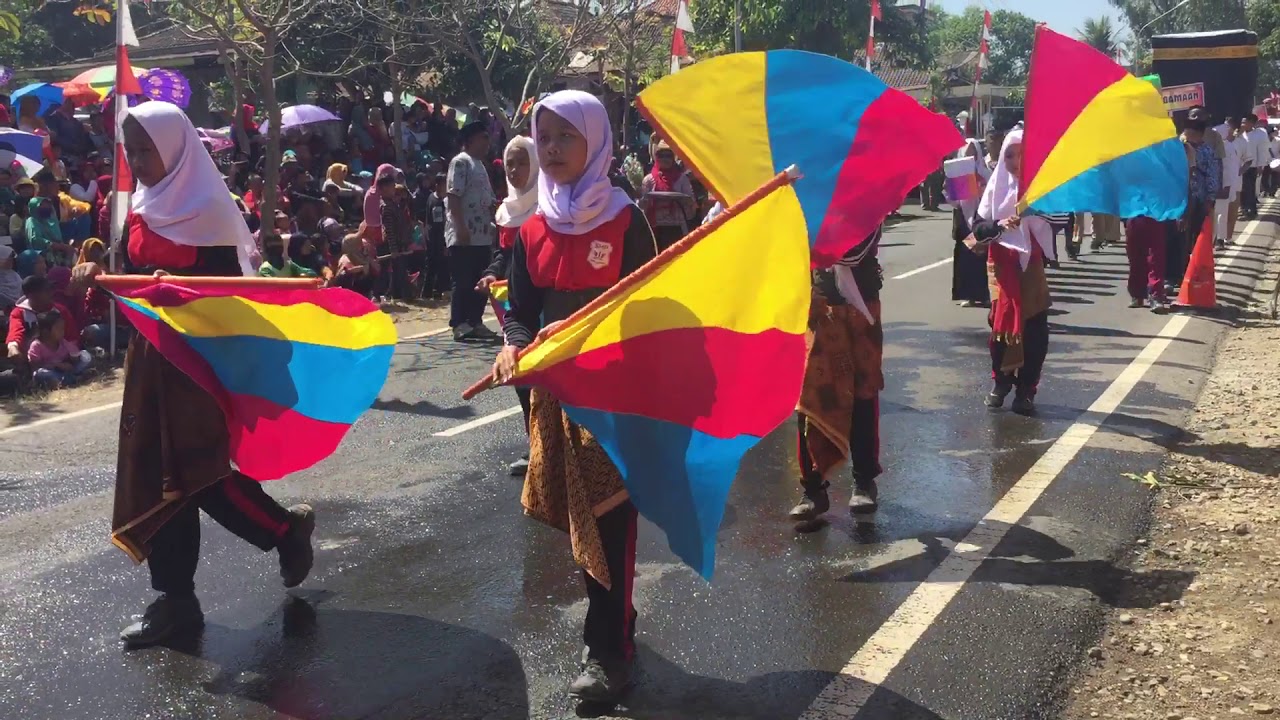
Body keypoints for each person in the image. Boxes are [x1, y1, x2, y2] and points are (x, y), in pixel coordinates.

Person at [104, 101, 315, 648]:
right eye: (133, 149)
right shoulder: (140, 208)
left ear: (175, 146)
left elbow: (223, 296)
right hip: (150, 358)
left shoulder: (210, 212)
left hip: (196, 360)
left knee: (198, 471)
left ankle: (283, 531)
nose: (140, 159)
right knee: (160, 474)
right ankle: (176, 601)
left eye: (148, 147)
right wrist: (99, 274)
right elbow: (125, 276)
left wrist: (173, 288)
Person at [491, 90, 657, 703]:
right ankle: (614, 625)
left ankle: (608, 651)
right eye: (546, 137)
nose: (553, 149)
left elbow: (646, 310)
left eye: (566, 136)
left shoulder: (625, 219)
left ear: (596, 142)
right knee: (577, 519)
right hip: (554, 399)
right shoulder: (532, 226)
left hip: (613, 395)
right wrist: (512, 345)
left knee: (610, 515)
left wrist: (594, 334)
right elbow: (519, 312)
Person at [789, 224, 886, 525]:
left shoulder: (868, 205)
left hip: (861, 310)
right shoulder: (807, 204)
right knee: (811, 397)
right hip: (820, 307)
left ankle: (864, 481)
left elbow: (855, 252)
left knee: (862, 395)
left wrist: (806, 245)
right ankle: (812, 490)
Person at [972, 127, 1053, 415]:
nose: (1016, 162)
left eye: (1022, 155)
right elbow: (978, 228)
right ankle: (1001, 381)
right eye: (1010, 155)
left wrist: (1036, 211)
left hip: (1030, 265)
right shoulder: (995, 189)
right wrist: (1000, 226)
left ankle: (1026, 389)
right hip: (1001, 266)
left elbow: (1060, 219)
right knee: (1000, 324)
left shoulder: (1042, 187)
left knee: (1034, 328)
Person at [478, 135, 538, 476]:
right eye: (510, 163)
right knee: (521, 376)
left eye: (522, 162)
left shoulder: (550, 205)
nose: (515, 170)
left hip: (545, 303)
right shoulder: (507, 211)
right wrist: (491, 275)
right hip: (515, 308)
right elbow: (503, 255)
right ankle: (536, 446)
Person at [446, 122, 499, 341]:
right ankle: (459, 322)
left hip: (483, 235)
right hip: (465, 234)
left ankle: (475, 321)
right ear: (470, 140)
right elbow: (454, 196)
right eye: (482, 137)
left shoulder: (480, 165)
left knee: (480, 280)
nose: (487, 142)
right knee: (464, 280)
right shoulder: (461, 162)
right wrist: (460, 227)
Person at [1172, 111, 1221, 291]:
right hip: (1177, 198)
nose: (1189, 134)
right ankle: (1175, 273)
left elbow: (1212, 176)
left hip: (1198, 199)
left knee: (1194, 237)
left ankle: (1191, 273)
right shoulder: (1178, 147)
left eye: (1193, 131)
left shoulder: (1207, 150)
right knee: (1176, 237)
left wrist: (1210, 198)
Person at [952, 134, 997, 306]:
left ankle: (985, 294)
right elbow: (954, 201)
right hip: (963, 220)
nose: (969, 156)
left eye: (973, 152)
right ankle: (968, 295)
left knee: (981, 258)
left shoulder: (985, 172)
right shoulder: (958, 174)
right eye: (967, 152)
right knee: (965, 258)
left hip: (980, 220)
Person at [6, 274, 79, 368]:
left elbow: (72, 336)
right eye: (46, 291)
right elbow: (15, 332)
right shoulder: (19, 312)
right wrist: (13, 347)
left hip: (63, 358)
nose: (51, 293)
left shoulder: (60, 310)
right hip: (34, 361)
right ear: (31, 295)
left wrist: (71, 357)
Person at [639, 140, 695, 251]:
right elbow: (642, 209)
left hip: (677, 228)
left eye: (668, 156)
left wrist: (685, 201)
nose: (665, 159)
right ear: (656, 157)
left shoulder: (682, 179)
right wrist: (643, 202)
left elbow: (691, 206)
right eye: (661, 155)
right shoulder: (648, 180)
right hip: (655, 229)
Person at [26, 308, 91, 387]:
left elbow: (75, 353)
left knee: (85, 355)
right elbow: (35, 366)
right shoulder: (37, 345)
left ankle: (73, 377)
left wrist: (73, 360)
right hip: (49, 372)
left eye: (62, 328)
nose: (62, 332)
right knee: (41, 373)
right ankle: (71, 379)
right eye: (58, 329)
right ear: (45, 332)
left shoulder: (62, 342)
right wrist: (56, 365)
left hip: (65, 370)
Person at [379, 178, 415, 301]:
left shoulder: (393, 204)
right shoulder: (386, 207)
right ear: (384, 188)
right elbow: (389, 231)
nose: (393, 189)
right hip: (393, 244)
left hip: (400, 243)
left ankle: (398, 295)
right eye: (391, 186)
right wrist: (393, 249)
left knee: (399, 271)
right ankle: (397, 296)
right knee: (396, 272)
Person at [1215, 117, 1243, 250]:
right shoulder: (1217, 147)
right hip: (1217, 184)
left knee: (1223, 213)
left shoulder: (1231, 145)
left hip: (1228, 184)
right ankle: (1217, 239)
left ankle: (1221, 238)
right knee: (1217, 214)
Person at [422, 172, 450, 301]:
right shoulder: (431, 199)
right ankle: (426, 293)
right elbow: (428, 219)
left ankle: (440, 291)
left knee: (444, 265)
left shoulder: (448, 201)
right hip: (432, 237)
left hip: (444, 237)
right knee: (431, 266)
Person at [25, 197, 73, 267]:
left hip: (57, 254)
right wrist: (54, 245)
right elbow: (35, 240)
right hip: (41, 256)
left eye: (47, 205)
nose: (46, 207)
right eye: (42, 206)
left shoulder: (51, 221)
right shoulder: (32, 221)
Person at [1240, 115, 1268, 220]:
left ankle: (1251, 210)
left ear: (1252, 123)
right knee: (1241, 190)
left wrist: (1261, 165)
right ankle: (1243, 209)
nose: (1243, 125)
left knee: (1250, 189)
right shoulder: (1239, 134)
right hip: (1239, 167)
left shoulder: (1258, 135)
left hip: (1252, 167)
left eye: (1245, 122)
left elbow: (1262, 151)